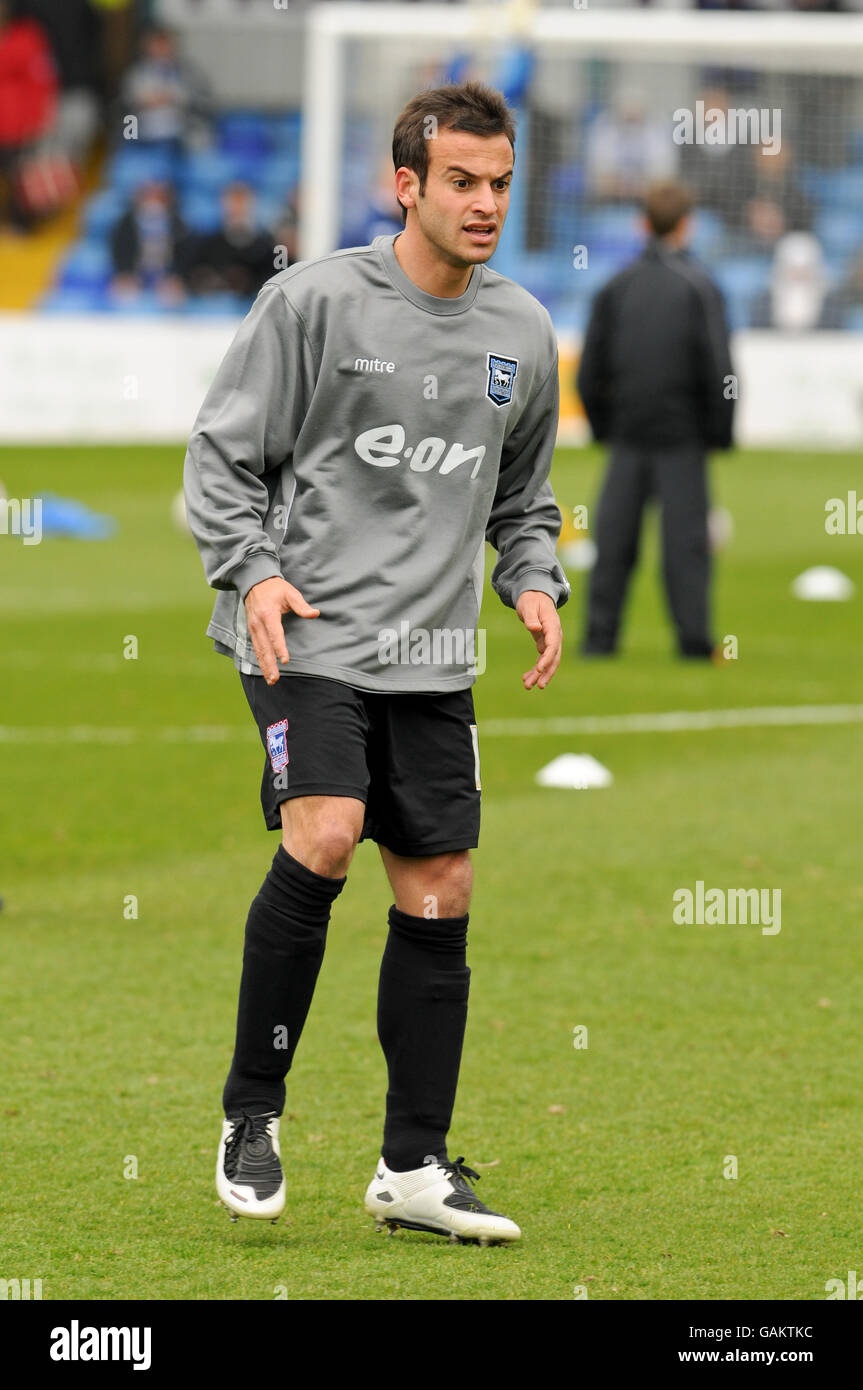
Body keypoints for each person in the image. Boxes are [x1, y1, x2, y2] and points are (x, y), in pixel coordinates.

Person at [183, 81, 570, 1245]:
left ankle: (412, 1166)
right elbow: (220, 460)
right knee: (326, 830)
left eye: (500, 182)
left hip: (430, 650)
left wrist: (534, 578)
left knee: (440, 887)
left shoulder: (522, 332)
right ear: (405, 184)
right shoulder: (312, 304)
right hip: (299, 627)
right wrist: (251, 570)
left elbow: (523, 498)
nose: (484, 203)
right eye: (461, 180)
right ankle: (251, 1110)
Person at [576, 180, 735, 659]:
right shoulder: (700, 286)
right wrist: (718, 435)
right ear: (687, 225)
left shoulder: (614, 287)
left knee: (613, 543)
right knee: (684, 547)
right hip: (682, 439)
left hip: (627, 436)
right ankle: (693, 641)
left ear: (642, 223)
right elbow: (719, 369)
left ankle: (600, 640)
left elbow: (588, 373)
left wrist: (605, 428)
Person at [185, 182, 276, 300]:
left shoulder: (266, 244)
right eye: (233, 202)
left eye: (241, 202)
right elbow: (194, 275)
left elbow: (273, 278)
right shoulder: (208, 243)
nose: (237, 208)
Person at [109, 179, 191, 304]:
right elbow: (119, 250)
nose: (153, 202)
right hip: (133, 274)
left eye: (158, 197)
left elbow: (184, 254)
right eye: (149, 197)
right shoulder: (126, 224)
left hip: (167, 276)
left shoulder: (178, 224)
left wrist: (175, 275)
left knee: (173, 296)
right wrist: (125, 273)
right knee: (123, 294)